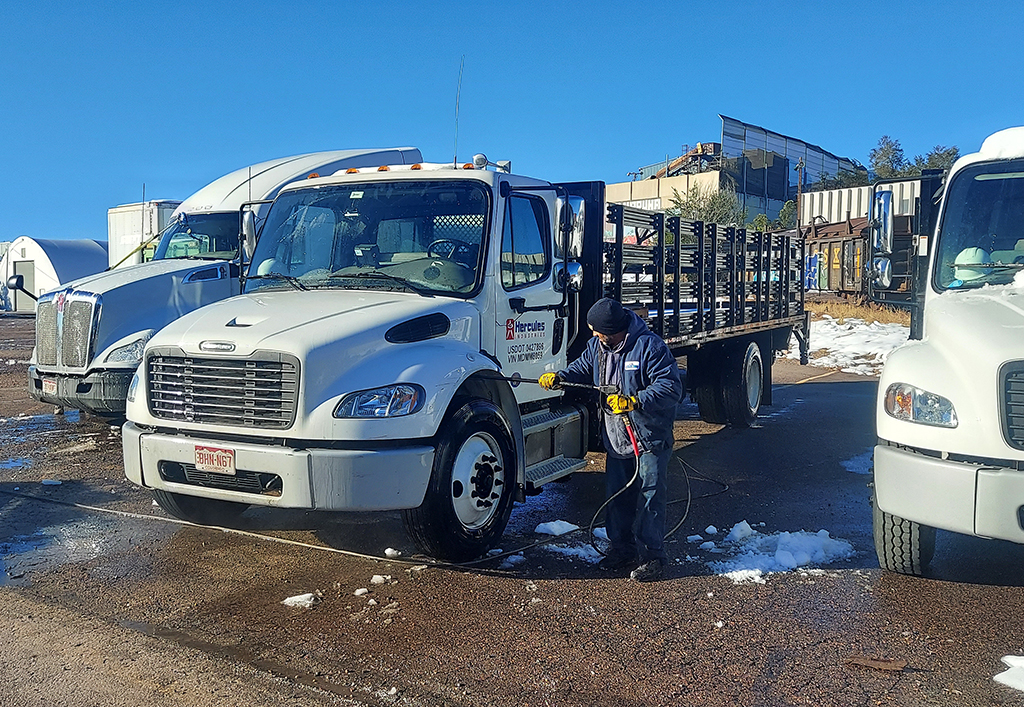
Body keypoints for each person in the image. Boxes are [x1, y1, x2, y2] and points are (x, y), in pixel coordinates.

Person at [539, 298, 682, 581]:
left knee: (649, 497)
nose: (593, 334)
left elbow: (671, 387)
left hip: (647, 438)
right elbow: (581, 367)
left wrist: (635, 401)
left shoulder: (649, 347)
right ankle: (622, 550)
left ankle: (653, 557)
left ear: (613, 329)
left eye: (597, 329)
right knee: (618, 497)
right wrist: (559, 377)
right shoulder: (598, 347)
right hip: (617, 438)